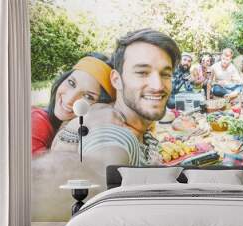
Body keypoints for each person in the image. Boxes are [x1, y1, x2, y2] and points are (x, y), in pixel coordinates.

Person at [54, 28, 181, 170]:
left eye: (165, 74)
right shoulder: (112, 135)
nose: (157, 85)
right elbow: (106, 160)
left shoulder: (135, 129)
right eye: (142, 72)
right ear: (116, 80)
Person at [31, 53, 116, 156]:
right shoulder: (36, 120)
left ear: (100, 106)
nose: (70, 99)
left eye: (88, 96)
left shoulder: (93, 135)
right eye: (71, 83)